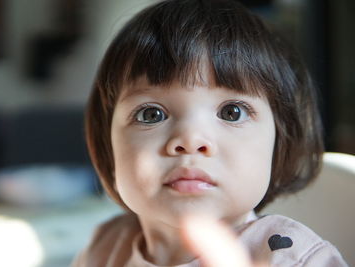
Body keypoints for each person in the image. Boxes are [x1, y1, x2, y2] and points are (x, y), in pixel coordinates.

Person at [72, 0, 348, 266]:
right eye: (151, 114)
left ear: (279, 141)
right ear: (107, 145)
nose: (190, 141)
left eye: (232, 112)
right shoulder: (105, 248)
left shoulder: (290, 258)